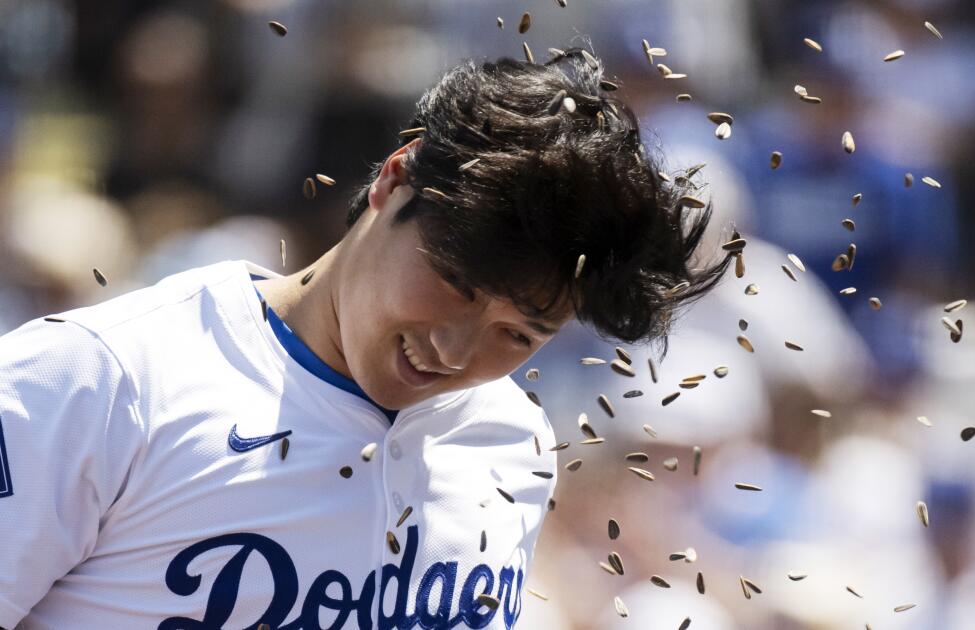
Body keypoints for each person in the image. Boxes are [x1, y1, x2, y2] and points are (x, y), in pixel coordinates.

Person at [0, 49, 729, 629]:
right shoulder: (98, 379)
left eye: (517, 333)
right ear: (394, 179)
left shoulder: (513, 441)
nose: (453, 350)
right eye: (456, 283)